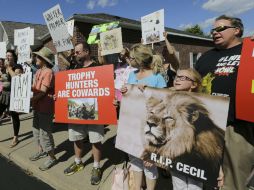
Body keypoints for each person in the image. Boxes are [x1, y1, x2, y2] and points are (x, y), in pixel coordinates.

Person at [195, 15, 254, 190]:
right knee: (208, 173)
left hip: (236, 125)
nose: (215, 32)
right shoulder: (205, 57)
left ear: (237, 30)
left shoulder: (250, 51)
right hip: (207, 124)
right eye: (213, 30)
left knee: (235, 177)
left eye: (220, 28)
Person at [121, 44, 166, 190]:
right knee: (135, 161)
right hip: (133, 125)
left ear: (139, 60)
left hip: (151, 128)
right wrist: (124, 92)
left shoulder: (157, 77)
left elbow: (164, 103)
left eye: (131, 58)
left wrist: (148, 91)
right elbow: (129, 98)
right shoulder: (131, 74)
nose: (129, 60)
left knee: (149, 163)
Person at [63, 42, 104, 185]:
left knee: (95, 139)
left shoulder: (98, 68)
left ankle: (96, 166)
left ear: (86, 51)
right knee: (77, 137)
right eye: (75, 52)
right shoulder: (74, 68)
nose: (75, 54)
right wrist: (59, 97)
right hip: (76, 109)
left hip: (94, 110)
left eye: (78, 52)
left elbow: (105, 89)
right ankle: (78, 162)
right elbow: (66, 87)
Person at [169, 68, 203, 190]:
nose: (178, 79)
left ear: (194, 84)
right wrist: (141, 88)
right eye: (177, 76)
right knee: (178, 184)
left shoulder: (203, 102)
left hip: (195, 156)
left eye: (183, 78)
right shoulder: (168, 95)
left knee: (195, 186)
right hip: (175, 153)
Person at [29, 47, 57, 171]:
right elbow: (35, 88)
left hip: (45, 106)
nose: (35, 58)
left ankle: (52, 157)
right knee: (36, 130)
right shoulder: (38, 71)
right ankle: (41, 151)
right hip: (37, 106)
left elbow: (43, 92)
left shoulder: (48, 72)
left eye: (38, 57)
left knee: (45, 133)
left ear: (44, 60)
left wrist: (31, 100)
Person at [0, 50, 21, 148]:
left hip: (14, 95)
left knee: (14, 116)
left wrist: (8, 67)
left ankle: (15, 137)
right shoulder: (3, 67)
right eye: (6, 55)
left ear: (14, 57)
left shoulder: (17, 67)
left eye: (9, 55)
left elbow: (16, 78)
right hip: (4, 95)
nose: (7, 57)